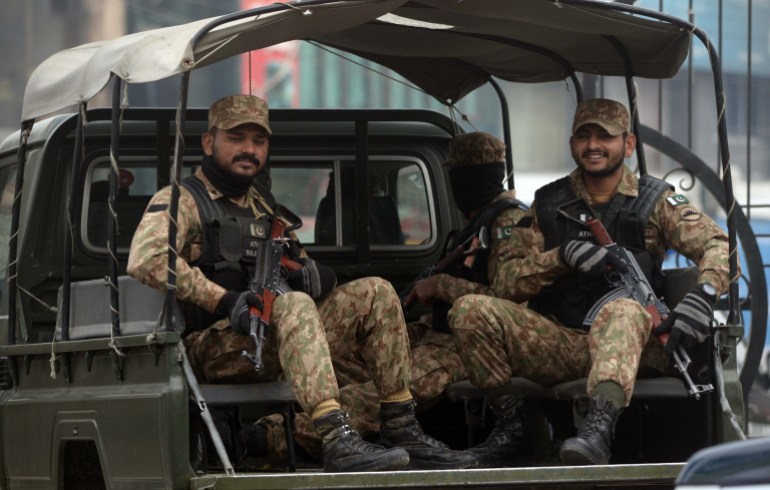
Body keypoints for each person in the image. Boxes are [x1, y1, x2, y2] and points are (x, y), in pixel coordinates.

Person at [127, 94, 472, 472]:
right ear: (209, 143)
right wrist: (226, 302)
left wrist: (313, 274)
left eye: (258, 141)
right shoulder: (183, 200)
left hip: (279, 332)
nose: (248, 149)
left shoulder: (264, 206)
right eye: (236, 138)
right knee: (293, 305)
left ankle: (401, 424)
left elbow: (304, 267)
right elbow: (147, 259)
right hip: (214, 345)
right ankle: (336, 438)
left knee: (376, 291)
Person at [449, 98, 731, 466]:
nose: (593, 145)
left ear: (627, 145)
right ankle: (515, 427)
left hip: (635, 344)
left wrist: (703, 293)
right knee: (470, 310)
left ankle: (599, 429)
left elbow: (718, 244)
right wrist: (561, 257)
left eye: (605, 136)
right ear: (572, 145)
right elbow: (505, 283)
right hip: (563, 340)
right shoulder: (548, 203)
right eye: (584, 136)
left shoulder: (655, 200)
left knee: (624, 311)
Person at [245, 132, 536, 468]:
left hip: (470, 349)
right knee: (338, 350)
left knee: (378, 393)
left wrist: (442, 286)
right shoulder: (470, 227)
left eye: (463, 172)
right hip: (435, 331)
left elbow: (512, 302)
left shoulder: (509, 223)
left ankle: (268, 437)